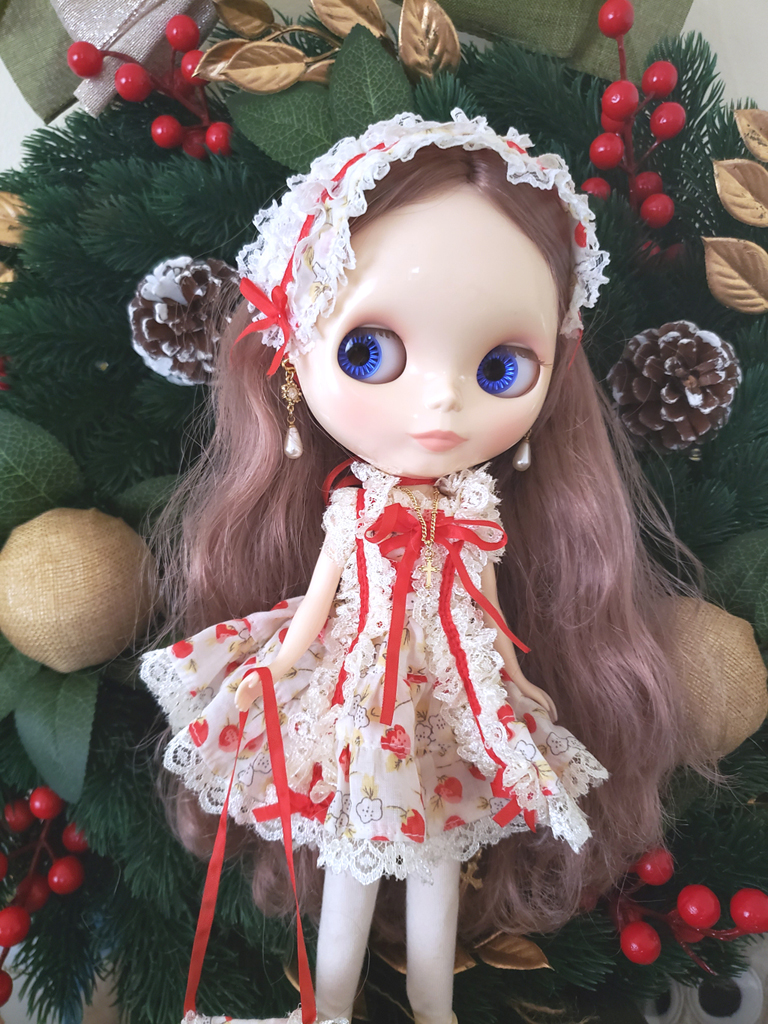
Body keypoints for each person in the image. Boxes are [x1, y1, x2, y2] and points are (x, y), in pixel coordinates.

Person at [142, 111, 701, 1024]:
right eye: (369, 353)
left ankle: (433, 1006)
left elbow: (484, 611)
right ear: (293, 359)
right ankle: (329, 1002)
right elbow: (318, 607)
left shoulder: (474, 511)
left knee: (440, 848)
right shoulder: (356, 509)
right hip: (360, 696)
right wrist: (275, 669)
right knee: (355, 854)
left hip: (448, 700)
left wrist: (517, 680)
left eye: (501, 368)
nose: (440, 401)